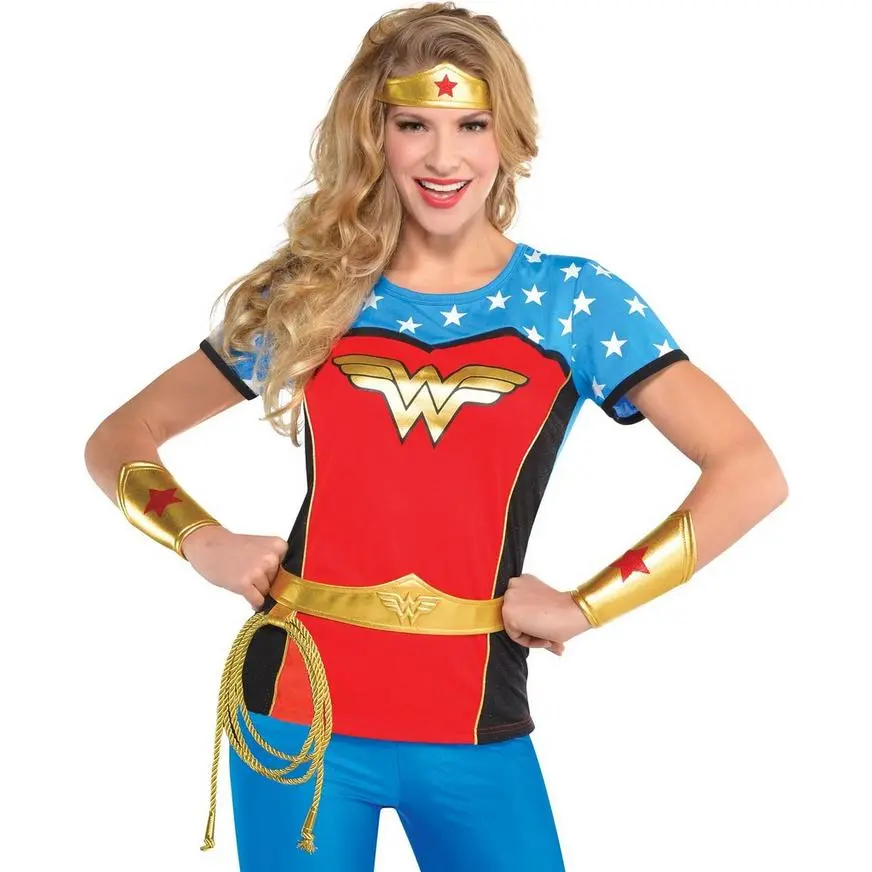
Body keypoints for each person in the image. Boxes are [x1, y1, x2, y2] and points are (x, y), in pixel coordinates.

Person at [84, 3, 789, 870]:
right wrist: (200, 539)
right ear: (372, 135)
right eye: (413, 125)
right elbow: (121, 436)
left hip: (475, 716)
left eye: (471, 125)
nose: (443, 157)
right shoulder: (313, 294)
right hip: (295, 715)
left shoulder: (572, 302)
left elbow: (749, 471)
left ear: (508, 136)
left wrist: (585, 605)